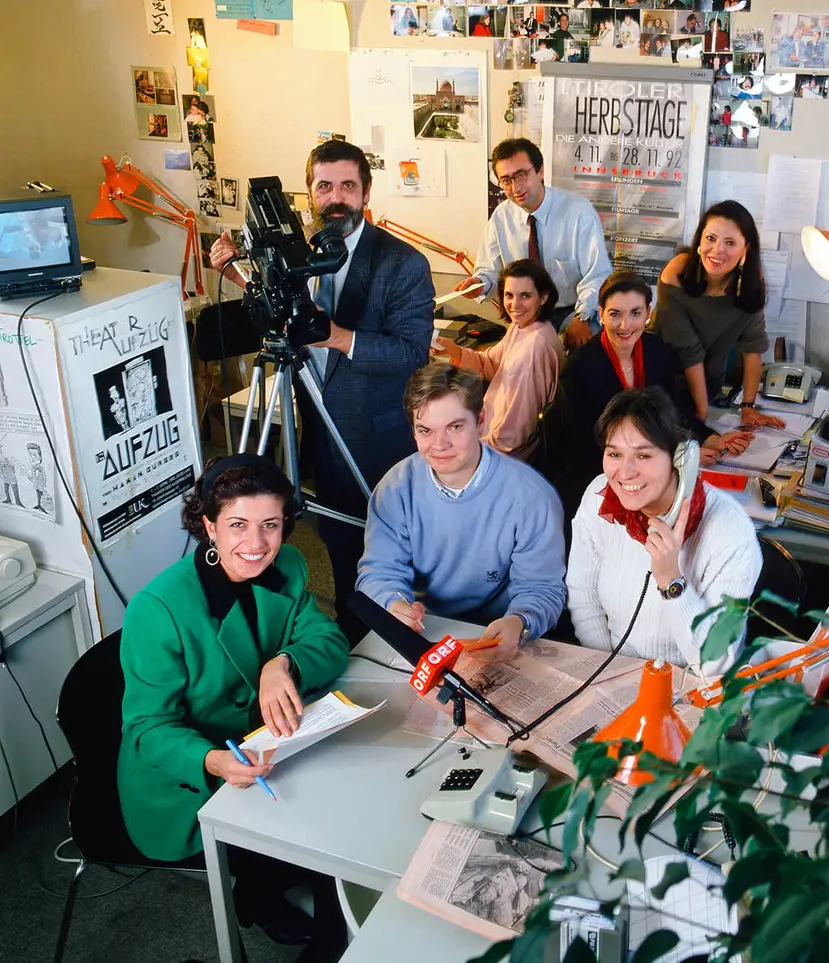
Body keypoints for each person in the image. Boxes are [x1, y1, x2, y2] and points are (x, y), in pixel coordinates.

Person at [118, 454, 349, 957]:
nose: (257, 544)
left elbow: (327, 640)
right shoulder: (157, 609)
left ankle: (280, 902)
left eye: (271, 525)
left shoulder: (286, 563)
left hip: (265, 745)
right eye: (238, 525)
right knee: (330, 835)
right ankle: (277, 902)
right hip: (189, 775)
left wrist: (282, 663)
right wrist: (212, 761)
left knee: (345, 807)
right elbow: (146, 728)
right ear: (209, 526)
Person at [208, 139, 435, 645]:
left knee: (391, 552)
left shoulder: (403, 263)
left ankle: (406, 645)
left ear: (366, 192)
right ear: (309, 194)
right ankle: (353, 638)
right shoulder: (295, 252)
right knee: (339, 548)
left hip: (378, 442)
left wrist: (334, 334)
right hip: (318, 431)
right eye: (324, 186)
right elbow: (278, 316)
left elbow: (411, 353)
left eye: (347, 187)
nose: (336, 198)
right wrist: (236, 272)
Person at [356, 364, 566, 662]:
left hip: (499, 631)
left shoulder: (531, 497)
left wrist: (520, 621)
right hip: (424, 629)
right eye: (425, 431)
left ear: (481, 421)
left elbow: (542, 587)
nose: (439, 445)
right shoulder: (394, 488)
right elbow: (379, 572)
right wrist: (393, 604)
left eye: (455, 427)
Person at [565, 388, 759, 674]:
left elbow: (715, 662)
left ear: (682, 459)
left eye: (643, 455)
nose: (625, 472)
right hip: (613, 675)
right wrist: (608, 673)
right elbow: (583, 595)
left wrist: (672, 582)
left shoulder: (730, 532)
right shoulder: (598, 496)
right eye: (614, 454)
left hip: (690, 688)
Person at [535, 270, 751, 518]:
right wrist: (673, 460)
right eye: (615, 314)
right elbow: (586, 446)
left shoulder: (656, 350)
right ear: (602, 314)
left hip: (643, 468)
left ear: (648, 314)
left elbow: (672, 409)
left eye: (635, 313)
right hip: (594, 474)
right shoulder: (580, 368)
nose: (625, 325)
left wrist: (708, 438)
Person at [460, 138, 611, 351]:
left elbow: (598, 274)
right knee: (513, 367)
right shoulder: (501, 217)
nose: (516, 187)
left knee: (590, 350)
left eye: (521, 175)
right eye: (506, 180)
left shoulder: (578, 212)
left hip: (571, 310)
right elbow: (490, 271)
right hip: (526, 314)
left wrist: (583, 316)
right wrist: (479, 284)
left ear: (540, 171)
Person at [653, 201, 785, 433]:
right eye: (710, 238)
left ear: (746, 249)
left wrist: (748, 406)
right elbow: (687, 350)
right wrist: (701, 415)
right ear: (699, 240)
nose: (717, 250)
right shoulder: (677, 272)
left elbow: (753, 346)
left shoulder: (751, 286)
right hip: (659, 383)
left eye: (730, 242)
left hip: (708, 386)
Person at [434, 259, 563, 460]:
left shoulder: (536, 346)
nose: (515, 305)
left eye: (525, 296)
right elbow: (491, 365)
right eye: (509, 295)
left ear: (543, 297)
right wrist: (454, 351)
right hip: (489, 433)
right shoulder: (521, 326)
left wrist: (477, 453)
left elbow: (515, 431)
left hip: (502, 453)